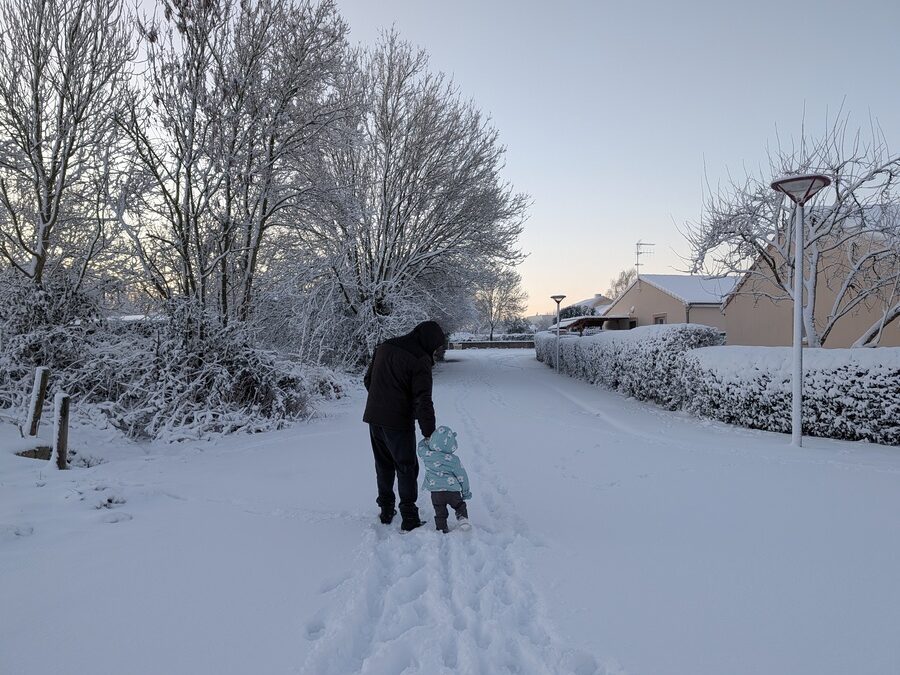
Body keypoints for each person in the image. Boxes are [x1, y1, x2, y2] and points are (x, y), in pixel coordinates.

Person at [363, 320, 446, 531]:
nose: (435, 353)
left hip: (374, 417)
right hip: (398, 421)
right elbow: (423, 401)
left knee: (383, 464)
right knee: (406, 467)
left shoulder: (385, 346)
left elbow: (368, 380)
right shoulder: (420, 360)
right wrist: (429, 434)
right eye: (436, 347)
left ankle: (386, 509)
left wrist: (381, 400)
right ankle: (409, 516)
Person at [417, 425, 471, 533]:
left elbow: (420, 446)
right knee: (459, 505)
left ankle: (441, 527)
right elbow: (462, 476)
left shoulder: (427, 455)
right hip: (453, 491)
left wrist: (426, 440)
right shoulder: (454, 459)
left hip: (436, 492)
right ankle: (462, 518)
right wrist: (465, 492)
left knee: (439, 510)